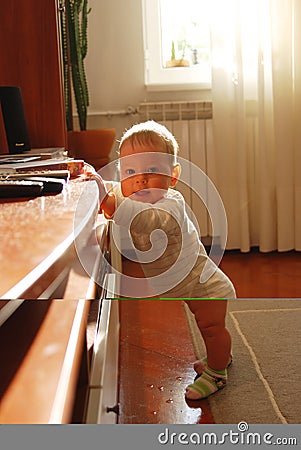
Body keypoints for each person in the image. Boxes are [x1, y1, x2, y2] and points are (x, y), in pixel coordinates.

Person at [87, 120, 236, 401]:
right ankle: (220, 358)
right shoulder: (130, 192)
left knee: (212, 328)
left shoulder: (170, 205)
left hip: (203, 286)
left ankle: (218, 373)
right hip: (184, 283)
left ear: (173, 175)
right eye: (130, 171)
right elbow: (114, 189)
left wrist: (109, 202)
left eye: (152, 170)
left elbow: (147, 221)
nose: (140, 179)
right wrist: (92, 182)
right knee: (208, 328)